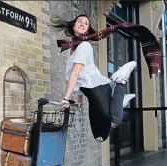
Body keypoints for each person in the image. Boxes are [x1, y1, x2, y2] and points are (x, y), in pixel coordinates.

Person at [51, 14, 137, 142]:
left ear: (87, 30)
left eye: (86, 23)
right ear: (73, 25)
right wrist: (79, 98)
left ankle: (120, 82)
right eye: (79, 21)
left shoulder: (84, 46)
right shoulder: (71, 50)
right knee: (99, 136)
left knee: (115, 120)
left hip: (97, 88)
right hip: (89, 92)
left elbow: (75, 74)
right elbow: (78, 78)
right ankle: (119, 100)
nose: (82, 24)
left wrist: (66, 98)